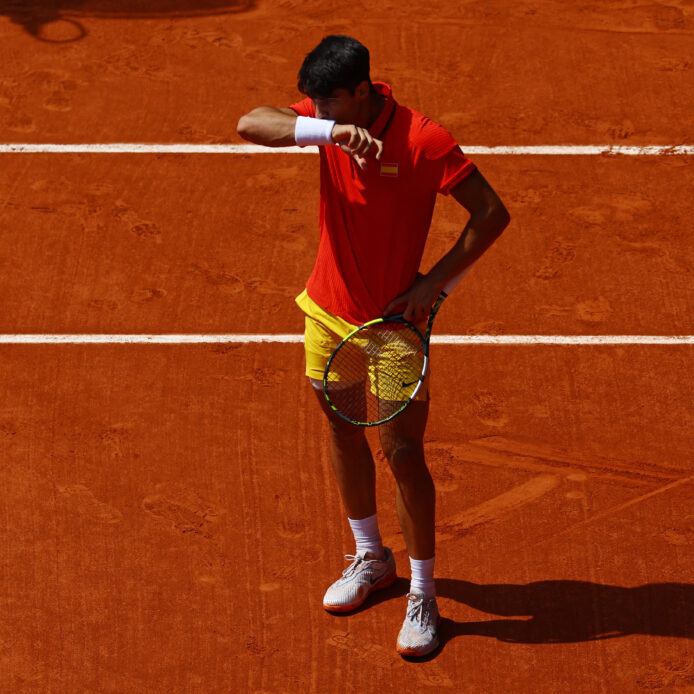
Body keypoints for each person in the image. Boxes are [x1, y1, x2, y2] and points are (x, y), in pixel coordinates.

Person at [237, 35, 510, 657]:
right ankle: (370, 557)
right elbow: (251, 122)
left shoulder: (424, 140)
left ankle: (422, 591)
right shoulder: (327, 121)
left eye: (329, 104)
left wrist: (432, 286)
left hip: (394, 329)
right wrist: (325, 133)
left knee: (403, 452)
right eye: (314, 104)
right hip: (327, 313)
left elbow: (491, 213)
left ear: (363, 90)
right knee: (341, 430)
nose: (317, 110)